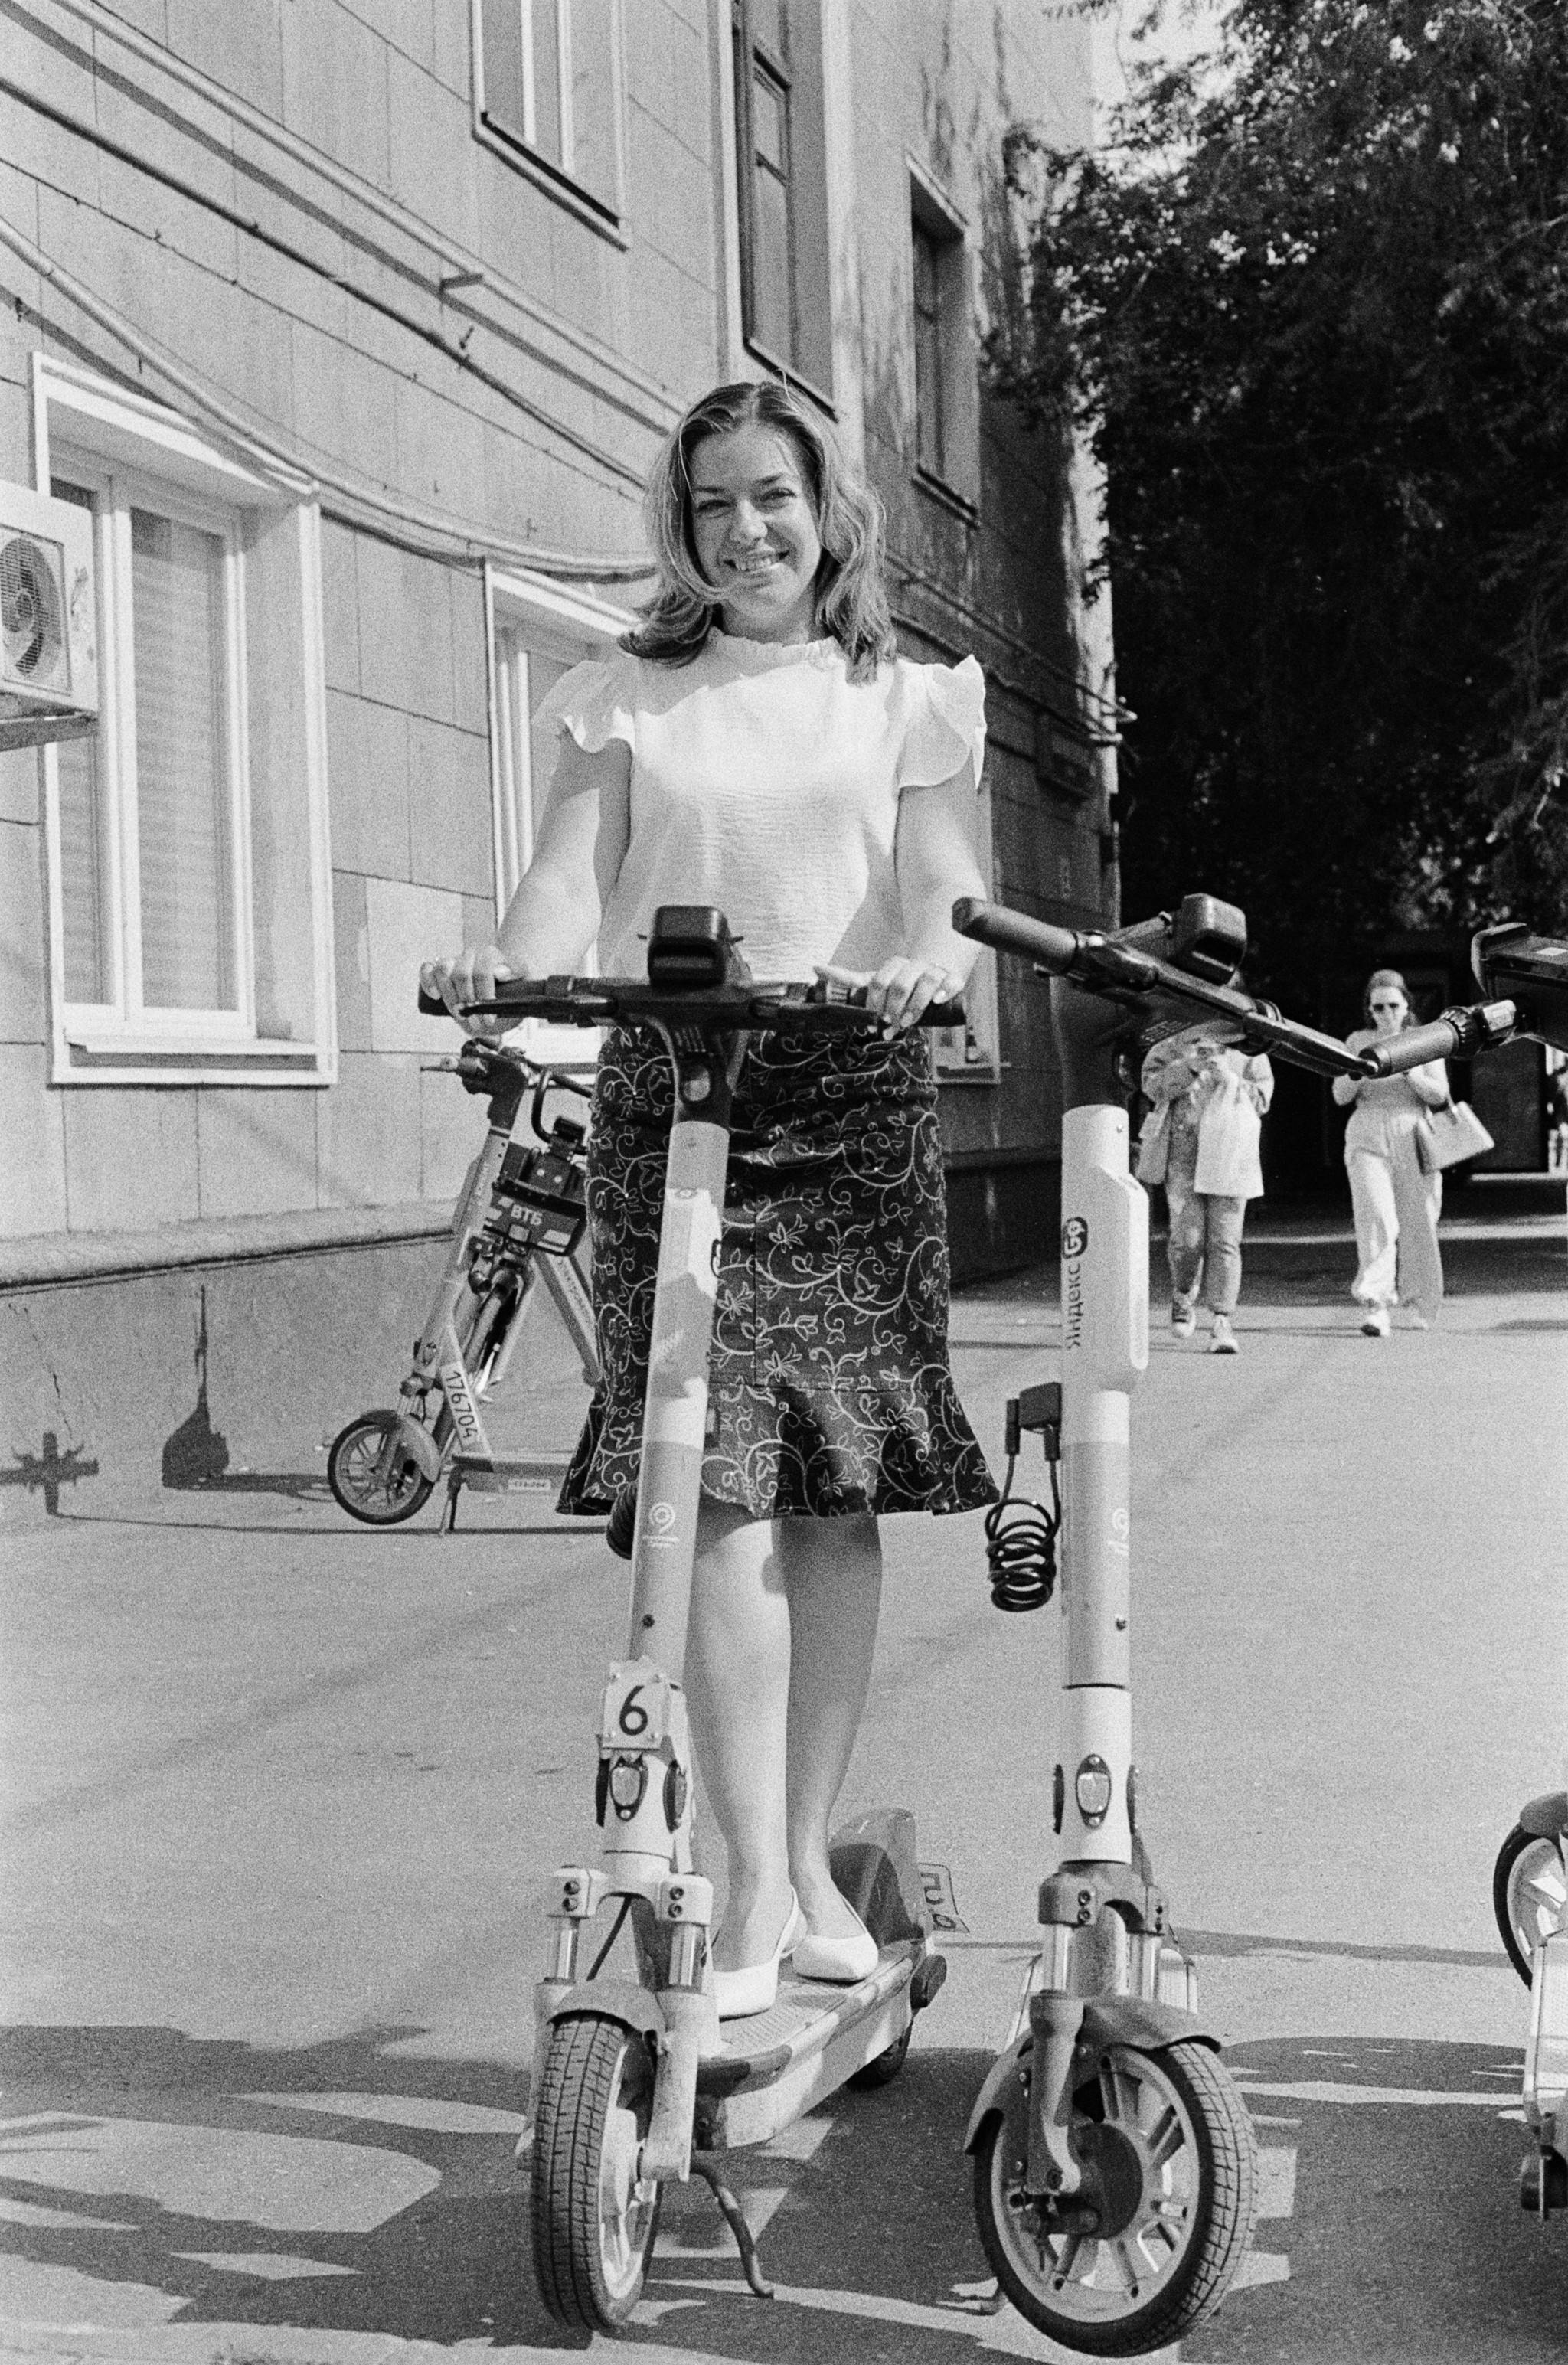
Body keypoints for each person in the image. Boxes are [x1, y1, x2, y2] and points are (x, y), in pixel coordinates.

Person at [421, 380, 996, 2020]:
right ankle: (750, 1878)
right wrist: (507, 969)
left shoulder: (902, 694)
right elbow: (562, 882)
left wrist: (920, 967)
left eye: (771, 496)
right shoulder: (626, 695)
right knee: (714, 1488)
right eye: (711, 504)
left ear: (827, 509)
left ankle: (806, 1856)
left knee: (831, 1487)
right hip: (674, 1095)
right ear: (679, 527)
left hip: (847, 1098)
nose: (745, 529)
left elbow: (946, 888)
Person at [1137, 1026, 1274, 1354]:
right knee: (1188, 1238)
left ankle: (1222, 1320)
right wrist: (1191, 1067)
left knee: (1225, 1240)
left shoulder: (1250, 1050)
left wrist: (1230, 1077)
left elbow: (1262, 1101)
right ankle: (1184, 1292)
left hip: (1230, 1153)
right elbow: (1153, 1088)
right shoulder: (1170, 1045)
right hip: (1183, 1155)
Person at [1331, 968, 1449, 1336]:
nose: (1386, 1014)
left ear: (1406, 1005)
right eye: (1378, 1007)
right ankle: (1377, 1304)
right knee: (1376, 1217)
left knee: (1419, 1222)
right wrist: (1361, 1070)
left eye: (1393, 1006)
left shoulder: (1424, 1039)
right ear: (1369, 1009)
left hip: (1413, 1132)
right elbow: (1339, 1095)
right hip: (1368, 1132)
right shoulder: (1357, 1040)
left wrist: (1410, 1070)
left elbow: (1440, 1095)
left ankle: (1418, 1302)